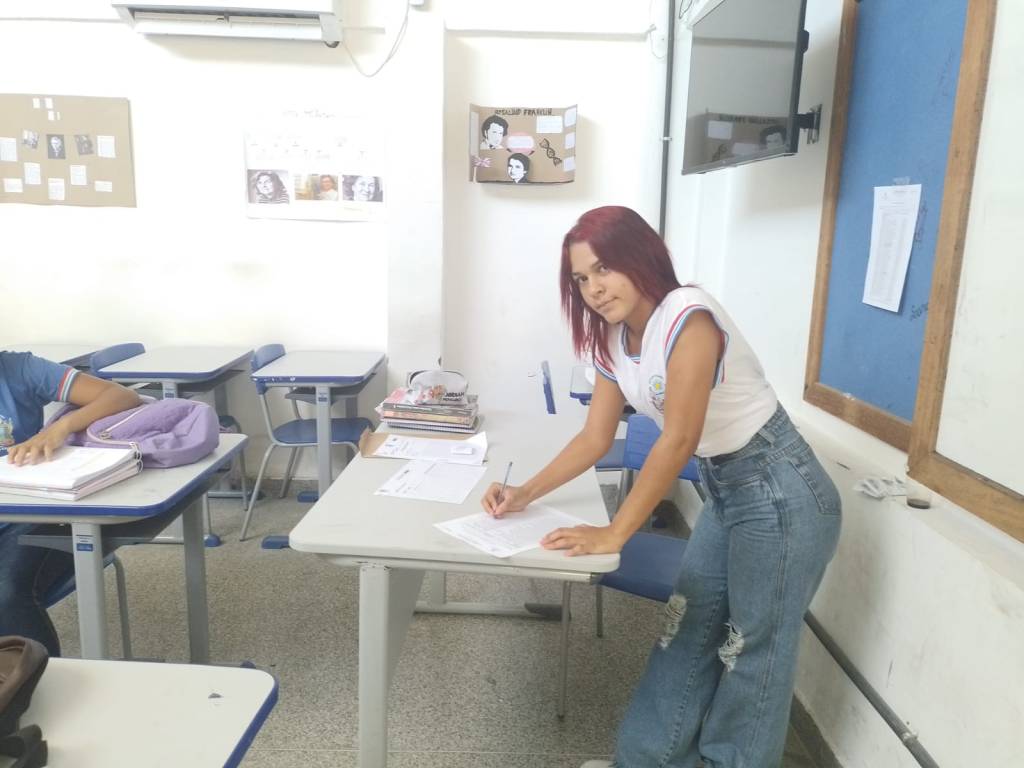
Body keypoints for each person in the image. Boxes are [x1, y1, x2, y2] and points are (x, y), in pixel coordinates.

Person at [481, 206, 841, 768]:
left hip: (779, 489)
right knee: (686, 625)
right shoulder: (611, 338)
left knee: (752, 653)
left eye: (604, 269)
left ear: (639, 256)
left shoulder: (688, 318)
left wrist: (615, 532)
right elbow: (595, 437)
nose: (594, 289)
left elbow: (678, 439)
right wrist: (524, 492)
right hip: (727, 487)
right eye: (581, 278)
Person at [0, 352, 142, 656]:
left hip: (30, 515)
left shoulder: (19, 368)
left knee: (5, 595)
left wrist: (59, 428)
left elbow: (122, 396)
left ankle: (32, 680)